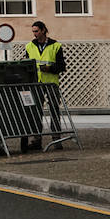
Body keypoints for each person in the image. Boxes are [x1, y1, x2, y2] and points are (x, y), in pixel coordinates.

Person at [23, 21, 65, 152]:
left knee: (54, 110)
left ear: (43, 30)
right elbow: (27, 65)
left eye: (36, 31)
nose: (34, 34)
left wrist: (50, 68)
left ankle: (56, 138)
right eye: (33, 31)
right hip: (37, 83)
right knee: (36, 111)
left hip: (51, 82)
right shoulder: (29, 46)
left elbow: (62, 66)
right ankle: (36, 139)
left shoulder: (56, 46)